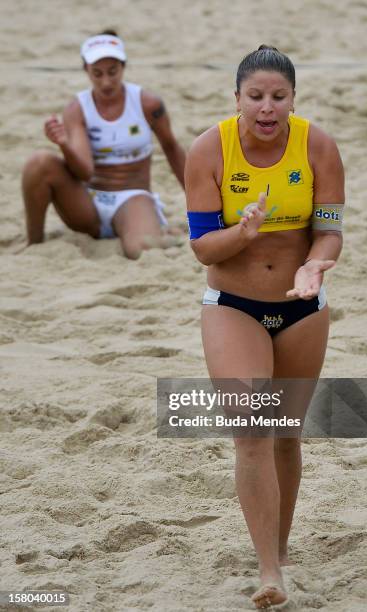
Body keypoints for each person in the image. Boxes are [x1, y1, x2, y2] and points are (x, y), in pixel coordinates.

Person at [185, 46, 344, 609]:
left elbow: (329, 230)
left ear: (293, 99)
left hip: (303, 303)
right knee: (252, 430)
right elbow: (203, 246)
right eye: (256, 97)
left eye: (278, 96)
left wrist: (316, 261)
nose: (267, 107)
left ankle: (279, 546)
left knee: (285, 433)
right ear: (237, 100)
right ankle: (270, 571)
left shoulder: (317, 144)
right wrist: (243, 234)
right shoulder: (210, 149)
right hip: (233, 304)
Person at [22, 30, 186, 258]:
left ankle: (153, 227)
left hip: (132, 195)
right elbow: (84, 171)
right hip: (89, 201)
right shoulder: (77, 107)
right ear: (86, 70)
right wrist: (63, 144)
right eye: (97, 73)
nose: (106, 81)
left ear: (123, 66)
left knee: (142, 251)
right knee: (39, 162)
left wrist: (198, 203)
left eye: (112, 72)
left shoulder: (147, 102)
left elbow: (172, 148)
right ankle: (34, 244)